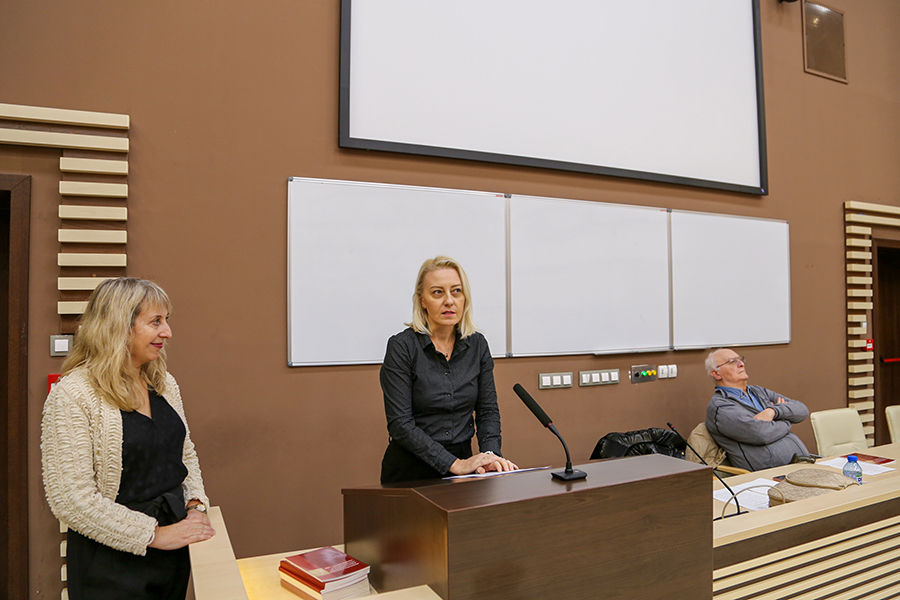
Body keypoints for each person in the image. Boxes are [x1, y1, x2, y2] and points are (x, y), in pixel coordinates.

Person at [41, 278, 215, 600]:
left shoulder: (164, 384)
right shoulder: (73, 394)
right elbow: (71, 500)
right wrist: (155, 535)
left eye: (166, 320)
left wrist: (195, 505)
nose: (167, 332)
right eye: (155, 322)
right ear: (119, 326)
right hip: (110, 564)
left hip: (171, 550)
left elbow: (185, 454)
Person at [379, 256, 519, 484]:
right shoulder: (402, 347)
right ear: (422, 300)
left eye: (456, 291)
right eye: (437, 293)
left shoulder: (477, 345)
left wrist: (490, 456)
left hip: (465, 464)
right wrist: (455, 464)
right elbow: (400, 425)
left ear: (465, 298)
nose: (449, 301)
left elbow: (487, 411)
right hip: (411, 469)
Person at [704, 348, 810, 471]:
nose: (741, 364)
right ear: (716, 374)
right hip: (770, 474)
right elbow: (761, 434)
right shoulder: (721, 407)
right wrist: (787, 420)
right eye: (732, 362)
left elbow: (802, 410)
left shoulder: (758, 391)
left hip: (801, 465)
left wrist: (773, 411)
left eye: (740, 359)